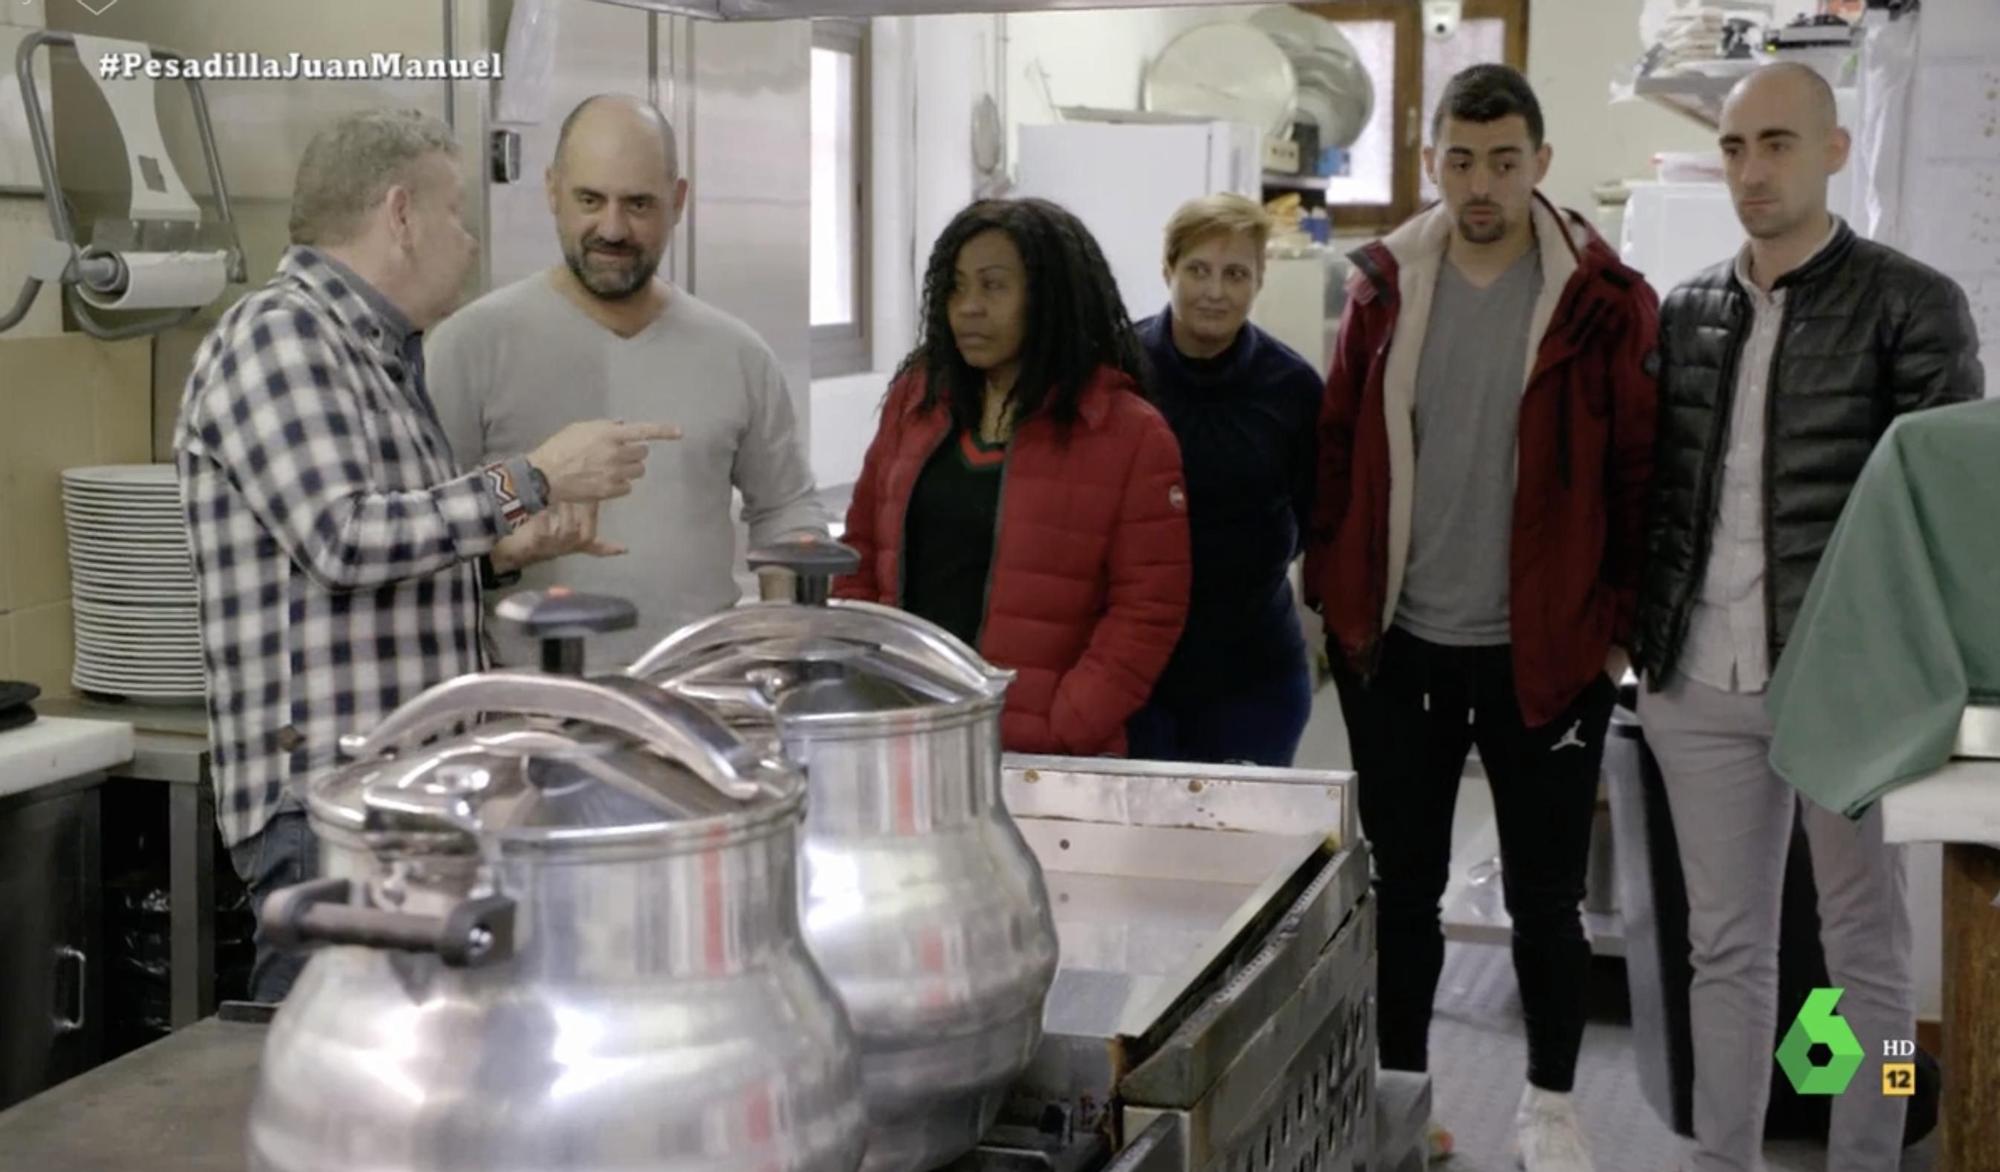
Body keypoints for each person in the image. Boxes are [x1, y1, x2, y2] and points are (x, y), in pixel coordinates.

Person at [176, 109, 676, 1003]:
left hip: (400, 801)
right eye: (456, 214)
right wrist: (531, 477)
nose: (472, 242)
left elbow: (373, 558)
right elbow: (341, 538)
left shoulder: (376, 357)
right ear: (400, 214)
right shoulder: (280, 337)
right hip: (327, 808)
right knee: (336, 1103)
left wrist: (503, 549)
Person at [1302, 64, 1660, 1171]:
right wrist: (1334, 597)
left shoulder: (1603, 301)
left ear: (1538, 164)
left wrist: (1611, 639)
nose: (1480, 184)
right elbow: (1336, 451)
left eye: (1503, 160)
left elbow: (1644, 477)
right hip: (1399, 644)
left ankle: (1549, 1108)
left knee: (1543, 901)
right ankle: (1404, 1102)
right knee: (1400, 892)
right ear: (1430, 165)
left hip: (1542, 656)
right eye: (1459, 159)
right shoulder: (1380, 289)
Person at [1631, 63, 1982, 1172]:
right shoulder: (1684, 309)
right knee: (1723, 949)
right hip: (1697, 671)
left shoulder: (1910, 303)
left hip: (1851, 686)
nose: (1751, 170)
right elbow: (1656, 497)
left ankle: (1866, 1148)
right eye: (1734, 148)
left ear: (1832, 151)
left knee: (1863, 953)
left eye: (1775, 144)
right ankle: (1721, 1157)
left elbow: (1952, 512)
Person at [429, 94, 826, 667]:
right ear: (551, 191)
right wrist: (501, 555)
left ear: (679, 202)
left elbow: (787, 508)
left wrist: (786, 625)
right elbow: (425, 538)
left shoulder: (737, 354)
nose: (612, 229)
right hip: (527, 708)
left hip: (699, 704)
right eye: (590, 199)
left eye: (639, 204)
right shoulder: (469, 346)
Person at [834, 198, 1190, 756]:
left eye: (994, 287)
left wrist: (1062, 724)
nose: (968, 308)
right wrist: (866, 679)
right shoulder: (917, 402)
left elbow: (1148, 609)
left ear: (1050, 299)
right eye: (955, 287)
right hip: (905, 733)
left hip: (1042, 755)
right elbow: (858, 551)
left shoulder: (1128, 433)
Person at [1126, 194, 1321, 767]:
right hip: (1136, 676)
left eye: (1235, 273)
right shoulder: (1118, 372)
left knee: (1242, 850)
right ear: (1168, 270)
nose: (1215, 291)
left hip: (1254, 673)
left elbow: (1318, 522)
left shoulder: (1294, 390)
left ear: (1259, 281)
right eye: (1197, 270)